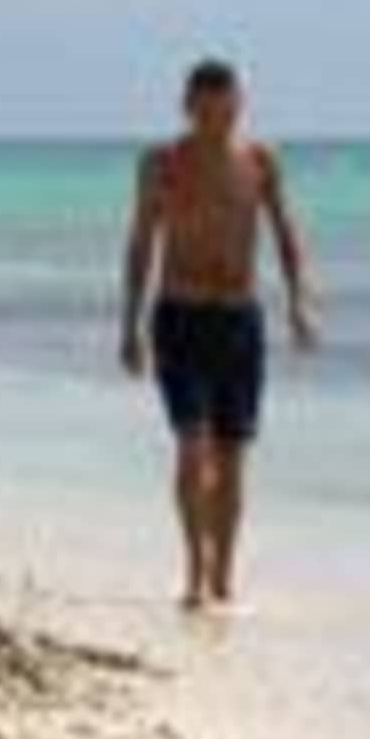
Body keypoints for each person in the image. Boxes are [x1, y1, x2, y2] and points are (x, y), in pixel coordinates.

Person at [120, 58, 319, 610]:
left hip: (239, 321)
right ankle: (194, 573)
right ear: (188, 108)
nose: (216, 122)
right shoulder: (161, 164)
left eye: (226, 111)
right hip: (180, 317)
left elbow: (286, 232)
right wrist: (130, 326)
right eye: (205, 111)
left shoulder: (259, 161)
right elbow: (141, 242)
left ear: (238, 106)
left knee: (231, 458)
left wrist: (299, 304)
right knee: (192, 448)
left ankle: (224, 577)